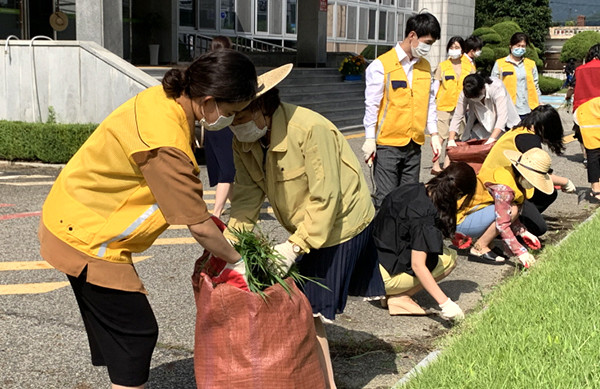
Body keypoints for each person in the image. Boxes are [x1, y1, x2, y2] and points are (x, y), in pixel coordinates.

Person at [38, 50, 259, 389]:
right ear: (209, 100)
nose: (229, 120)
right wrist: (237, 261)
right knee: (137, 334)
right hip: (88, 237)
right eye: (229, 112)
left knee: (117, 331)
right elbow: (199, 225)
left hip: (73, 212)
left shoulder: (165, 97)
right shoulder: (166, 144)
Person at [225, 64, 385, 389]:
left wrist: (294, 246)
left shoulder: (310, 129)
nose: (234, 126)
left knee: (308, 310)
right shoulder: (244, 141)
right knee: (305, 308)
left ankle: (324, 383)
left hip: (343, 222)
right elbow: (245, 197)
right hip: (310, 226)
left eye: (240, 117)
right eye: (231, 119)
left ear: (262, 107)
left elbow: (325, 198)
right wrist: (229, 246)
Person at [373, 162, 476, 320]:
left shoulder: (411, 188)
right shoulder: (425, 215)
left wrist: (450, 235)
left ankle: (394, 293)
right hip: (382, 279)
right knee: (449, 258)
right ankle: (400, 298)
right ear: (458, 194)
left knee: (438, 250)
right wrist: (446, 304)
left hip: (368, 264)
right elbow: (417, 265)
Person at [362, 12, 441, 208]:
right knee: (387, 200)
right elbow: (372, 104)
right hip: (388, 143)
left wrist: (435, 133)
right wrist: (370, 138)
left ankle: (403, 238)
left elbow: (429, 102)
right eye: (427, 42)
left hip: (414, 144)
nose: (428, 48)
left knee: (409, 199)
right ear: (412, 35)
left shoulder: (425, 66)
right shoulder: (382, 65)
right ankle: (382, 238)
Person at [478, 104, 576, 236]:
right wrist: (565, 182)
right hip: (499, 187)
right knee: (539, 228)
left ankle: (517, 220)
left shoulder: (519, 131)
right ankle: (506, 226)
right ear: (547, 127)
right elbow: (537, 175)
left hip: (493, 180)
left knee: (548, 193)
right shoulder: (529, 139)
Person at [456, 148, 554, 268]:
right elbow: (502, 222)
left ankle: (488, 244)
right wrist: (521, 252)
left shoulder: (510, 174)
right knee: (512, 210)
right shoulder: (504, 189)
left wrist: (522, 232)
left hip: (470, 215)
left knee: (512, 209)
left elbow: (502, 210)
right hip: (460, 222)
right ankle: (479, 248)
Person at [201, 36, 237, 218]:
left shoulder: (205, 70)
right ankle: (216, 213)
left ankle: (237, 205)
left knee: (225, 168)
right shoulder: (231, 69)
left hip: (210, 122)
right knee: (228, 171)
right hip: (226, 122)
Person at [431, 36, 476, 174]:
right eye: (451, 47)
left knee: (456, 136)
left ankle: (448, 163)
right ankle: (435, 165)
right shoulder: (443, 66)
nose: (454, 50)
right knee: (441, 136)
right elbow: (436, 85)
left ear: (462, 50)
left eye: (457, 47)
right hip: (443, 105)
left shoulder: (470, 67)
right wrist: (432, 101)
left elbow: (473, 85)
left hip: (462, 106)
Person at [447, 74, 520, 145]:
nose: (475, 99)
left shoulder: (496, 87)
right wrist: (451, 139)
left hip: (506, 126)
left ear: (483, 87)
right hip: (481, 126)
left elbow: (502, 116)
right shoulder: (465, 92)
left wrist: (492, 139)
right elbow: (457, 116)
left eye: (477, 96)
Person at [491, 32, 541, 119]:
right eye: (518, 45)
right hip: (508, 109)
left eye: (523, 46)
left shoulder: (531, 64)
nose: (520, 48)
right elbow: (493, 86)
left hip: (529, 109)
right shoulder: (500, 63)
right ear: (511, 46)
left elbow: (535, 86)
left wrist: (539, 102)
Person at [573, 43, 600, 201]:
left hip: (586, 112)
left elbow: (578, 92)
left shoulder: (580, 70)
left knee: (592, 152)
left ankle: (596, 189)